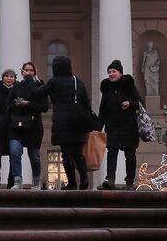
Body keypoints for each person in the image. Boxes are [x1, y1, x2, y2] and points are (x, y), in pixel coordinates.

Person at [31, 55, 94, 190]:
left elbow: (37, 93)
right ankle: (84, 178)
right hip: (78, 124)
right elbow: (87, 104)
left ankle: (72, 183)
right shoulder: (78, 81)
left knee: (66, 154)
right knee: (78, 153)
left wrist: (34, 82)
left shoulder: (54, 82)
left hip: (62, 123)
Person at [97, 60, 144, 190]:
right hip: (112, 127)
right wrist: (98, 128)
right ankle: (110, 179)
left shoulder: (128, 86)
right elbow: (102, 111)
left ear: (120, 73)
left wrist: (130, 104)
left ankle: (129, 181)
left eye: (114, 71)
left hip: (129, 127)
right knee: (112, 152)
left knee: (130, 155)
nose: (111, 74)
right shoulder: (107, 90)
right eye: (109, 72)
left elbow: (140, 103)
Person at [9, 61, 49, 189]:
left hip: (34, 127)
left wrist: (29, 104)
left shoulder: (40, 86)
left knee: (34, 157)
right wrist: (16, 104)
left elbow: (44, 107)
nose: (28, 72)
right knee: (15, 151)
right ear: (21, 72)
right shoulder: (16, 86)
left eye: (31, 70)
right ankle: (17, 180)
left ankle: (36, 180)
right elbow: (8, 105)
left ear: (35, 72)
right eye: (26, 70)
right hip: (17, 126)